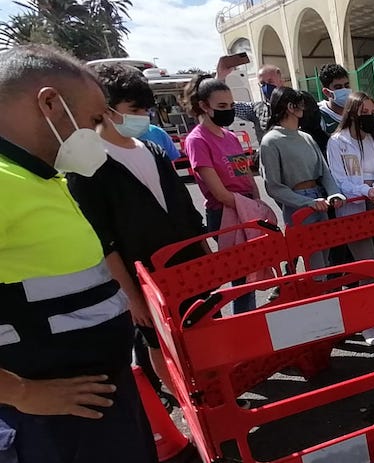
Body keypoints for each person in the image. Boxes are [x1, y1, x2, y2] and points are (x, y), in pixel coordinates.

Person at [0, 44, 155, 463]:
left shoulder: (44, 177)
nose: (99, 131)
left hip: (97, 409)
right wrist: (22, 393)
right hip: (51, 427)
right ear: (50, 104)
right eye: (94, 119)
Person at [67, 62, 208, 414]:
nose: (143, 117)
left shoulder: (153, 151)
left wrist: (207, 258)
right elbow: (104, 242)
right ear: (105, 108)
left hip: (187, 269)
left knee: (200, 336)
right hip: (144, 280)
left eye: (146, 109)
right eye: (134, 109)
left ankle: (210, 395)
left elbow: (186, 211)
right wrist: (133, 297)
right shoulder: (88, 166)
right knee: (160, 345)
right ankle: (190, 407)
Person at [182, 75, 262, 314]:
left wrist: (256, 201)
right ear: (204, 106)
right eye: (222, 106)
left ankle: (250, 320)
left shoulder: (230, 136)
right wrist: (250, 206)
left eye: (231, 105)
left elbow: (246, 174)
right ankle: (244, 322)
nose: (228, 111)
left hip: (245, 207)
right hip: (226, 213)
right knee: (241, 277)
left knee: (251, 274)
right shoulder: (197, 140)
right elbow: (219, 193)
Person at [327, 92, 374, 345]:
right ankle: (367, 324)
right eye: (363, 112)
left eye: (371, 112)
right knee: (367, 267)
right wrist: (365, 190)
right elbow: (339, 180)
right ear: (352, 114)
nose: (369, 116)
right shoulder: (337, 142)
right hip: (354, 210)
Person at [259, 86, 344, 272]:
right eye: (301, 104)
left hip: (320, 201)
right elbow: (273, 186)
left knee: (326, 257)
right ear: (291, 107)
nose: (305, 109)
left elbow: (324, 171)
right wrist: (307, 202)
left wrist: (334, 194)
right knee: (315, 260)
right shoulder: (270, 141)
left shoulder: (306, 137)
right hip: (299, 206)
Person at [318, 63, 352, 138]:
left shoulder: (357, 110)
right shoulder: (319, 116)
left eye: (347, 86)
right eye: (338, 87)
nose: (344, 90)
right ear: (327, 92)